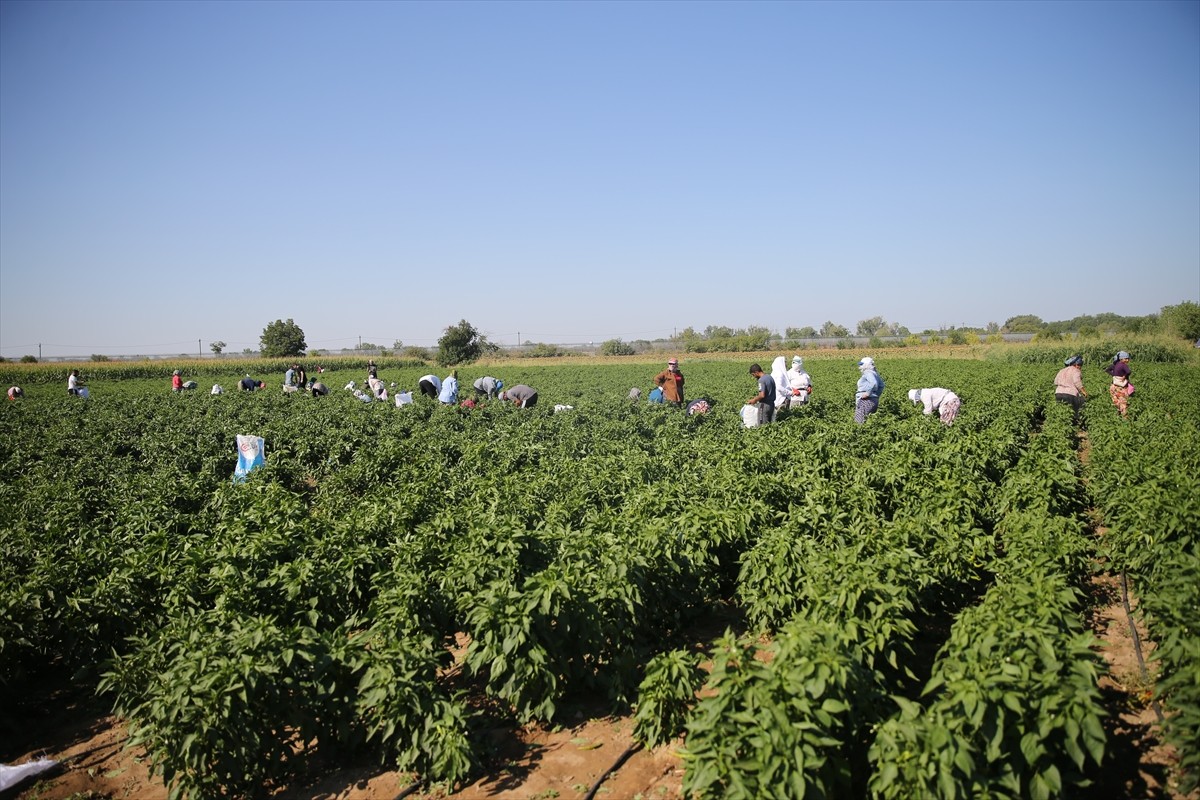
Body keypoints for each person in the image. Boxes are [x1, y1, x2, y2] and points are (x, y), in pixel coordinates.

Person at [1053, 355, 1087, 422]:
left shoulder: (1062, 370)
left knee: (1062, 411)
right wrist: (1083, 391)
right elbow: (1077, 382)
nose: (1080, 367)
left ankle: (1062, 423)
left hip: (1058, 393)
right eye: (1080, 365)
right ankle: (1074, 423)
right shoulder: (1076, 371)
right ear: (1077, 365)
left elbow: (1055, 381)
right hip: (1070, 394)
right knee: (1074, 410)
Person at [854, 357, 885, 424]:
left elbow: (874, 383)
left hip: (865, 400)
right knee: (868, 422)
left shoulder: (868, 372)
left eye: (862, 364)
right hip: (873, 401)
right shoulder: (874, 373)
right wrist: (876, 396)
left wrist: (868, 393)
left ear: (866, 365)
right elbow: (881, 385)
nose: (860, 366)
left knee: (859, 422)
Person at [1104, 351, 1133, 417]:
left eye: (1128, 358)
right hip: (1121, 387)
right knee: (1123, 403)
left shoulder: (1115, 365)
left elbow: (1107, 370)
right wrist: (1124, 376)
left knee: (1117, 402)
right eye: (1126, 358)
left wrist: (1114, 375)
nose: (1127, 360)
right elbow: (1129, 371)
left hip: (1114, 386)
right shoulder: (1123, 365)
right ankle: (1125, 419)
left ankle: (1117, 416)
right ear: (1121, 359)